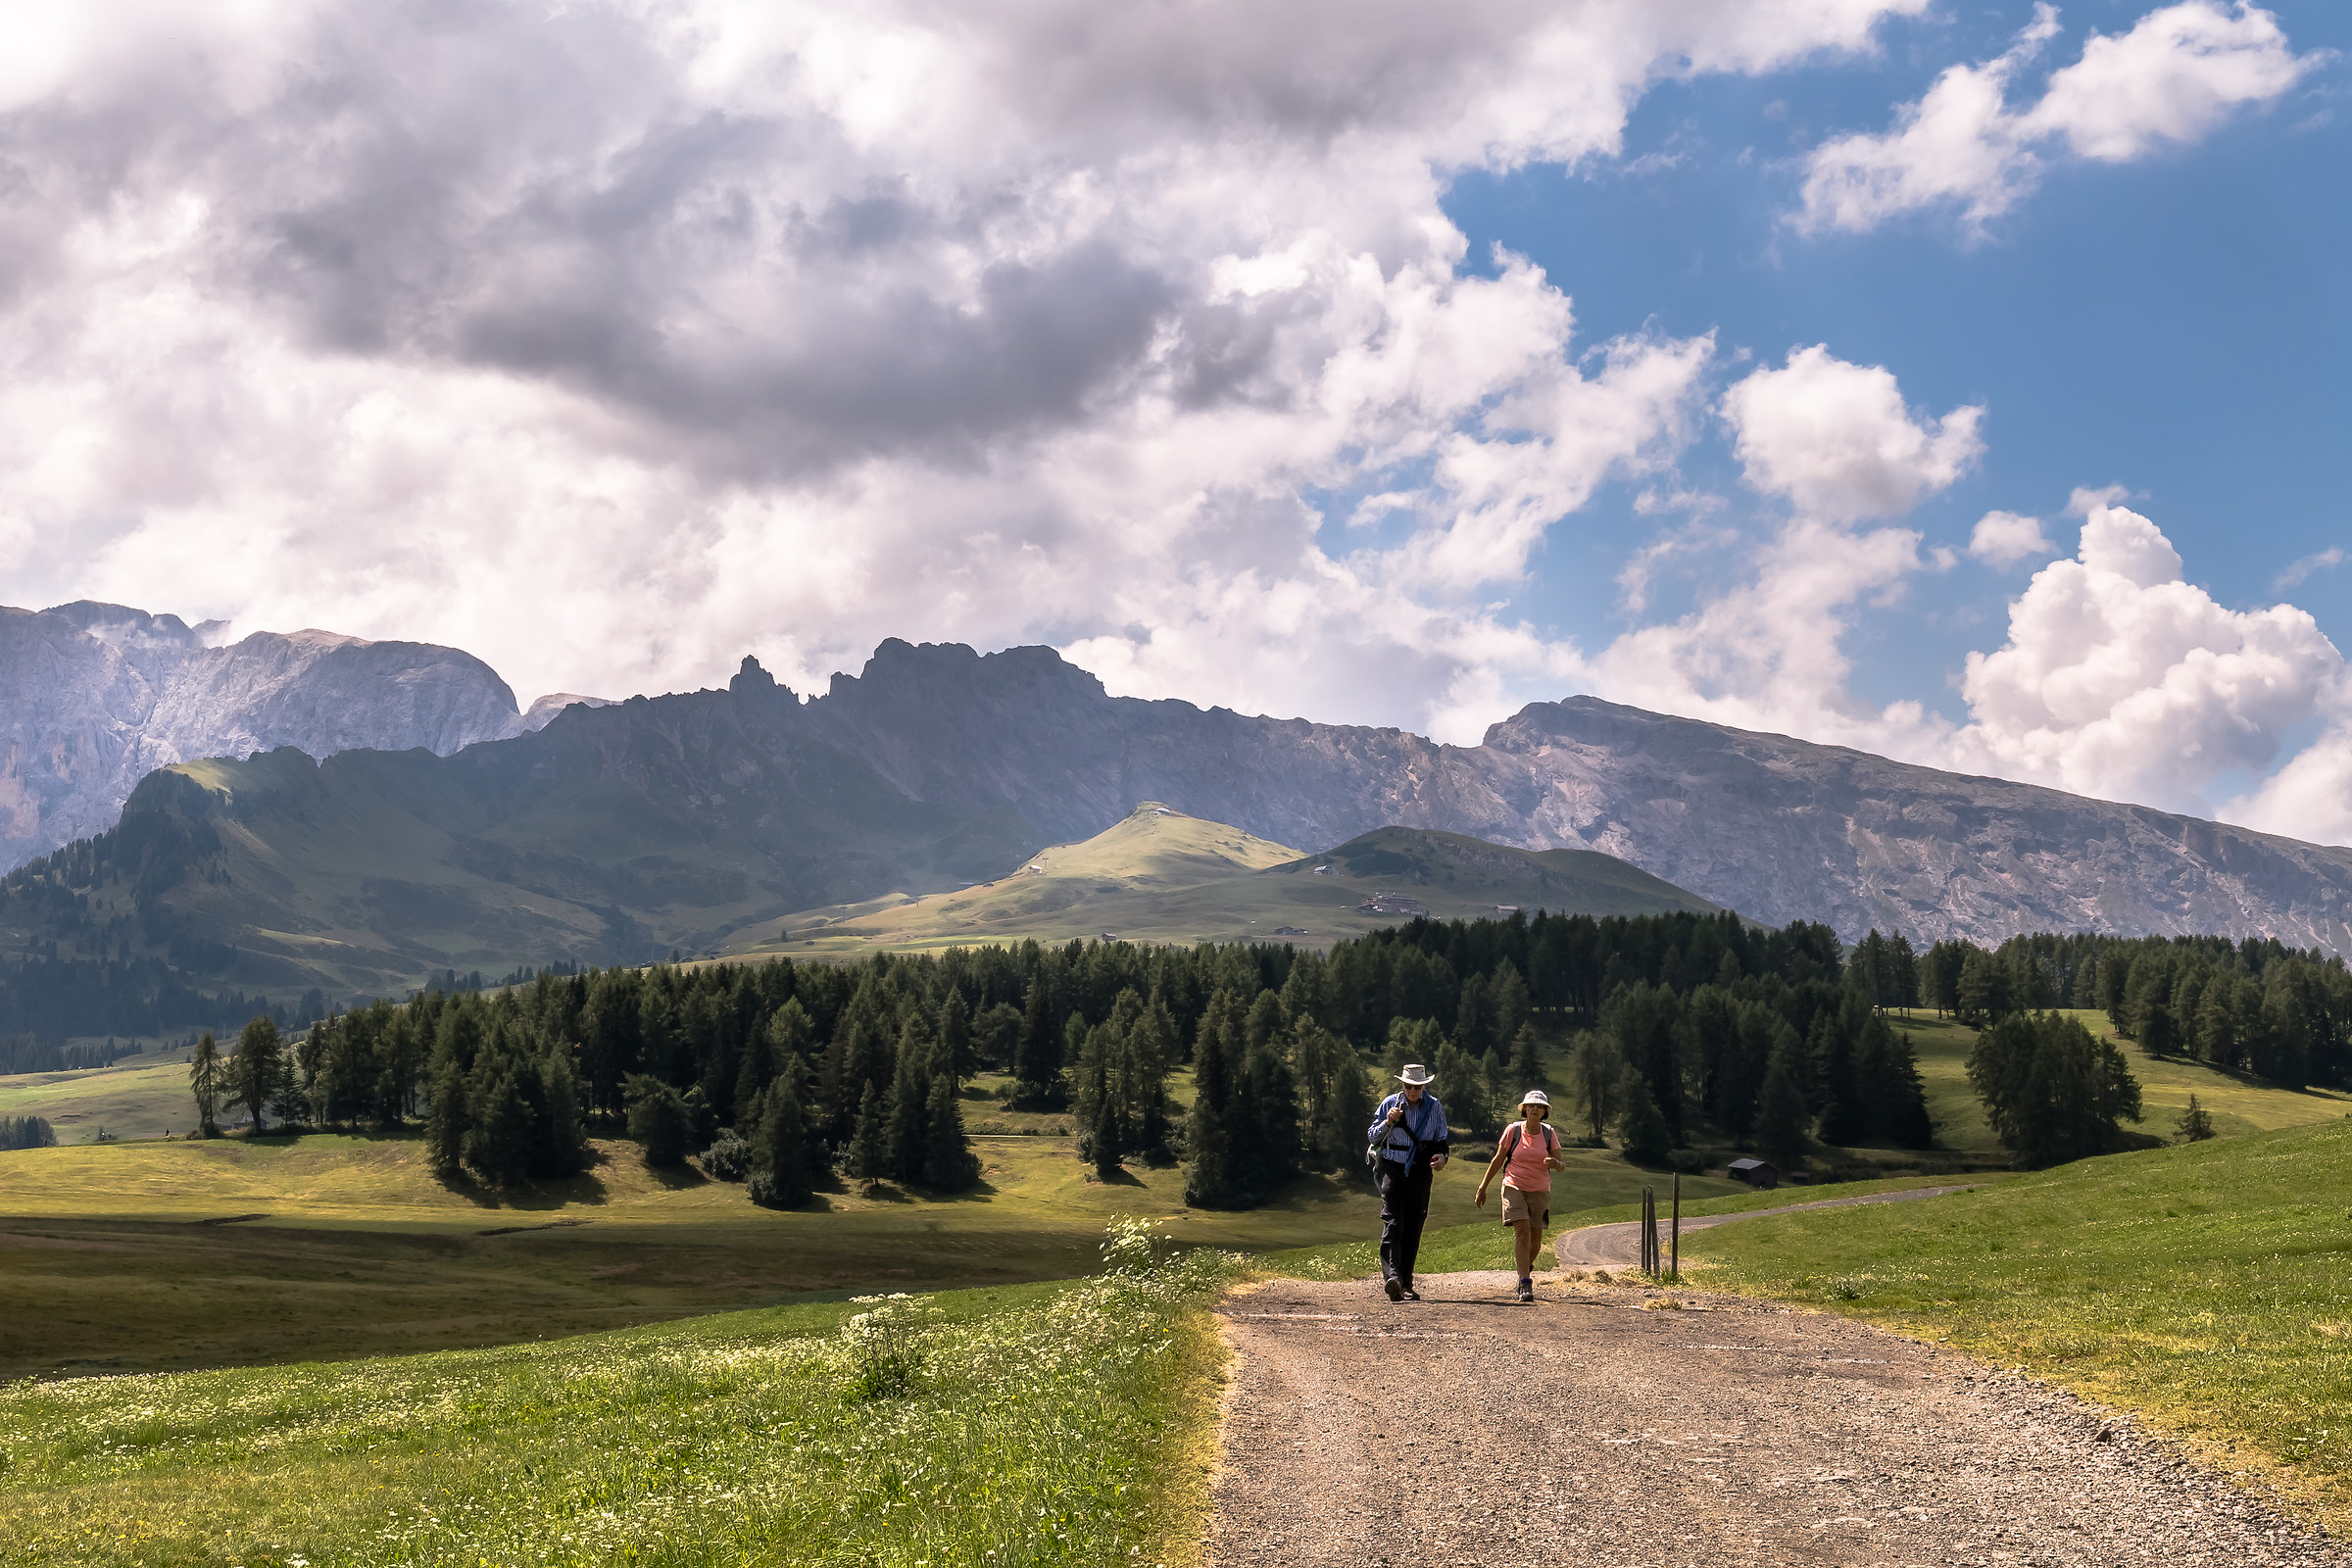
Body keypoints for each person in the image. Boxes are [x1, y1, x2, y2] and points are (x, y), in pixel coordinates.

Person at [1366, 1064, 1449, 1301]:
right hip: (1393, 1168)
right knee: (1393, 1222)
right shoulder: (1389, 1104)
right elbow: (1372, 1136)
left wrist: (1442, 1158)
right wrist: (1388, 1122)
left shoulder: (1435, 1107)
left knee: (1414, 1224)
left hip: (1420, 1170)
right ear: (1402, 1085)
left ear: (1424, 1086)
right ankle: (1393, 1278)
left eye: (1417, 1087)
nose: (1413, 1091)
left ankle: (1406, 1282)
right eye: (1408, 1086)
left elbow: (1441, 1139)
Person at [1475, 1089, 1565, 1302]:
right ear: (1524, 1109)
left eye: (1539, 1106)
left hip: (1540, 1190)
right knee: (1523, 1231)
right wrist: (1483, 1186)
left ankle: (1525, 1267)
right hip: (1513, 1185)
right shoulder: (1513, 1131)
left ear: (1544, 1112)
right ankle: (1525, 1282)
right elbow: (1498, 1159)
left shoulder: (1549, 1133)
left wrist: (1555, 1163)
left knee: (1535, 1242)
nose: (1534, 1109)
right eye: (1531, 1105)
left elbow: (1561, 1165)